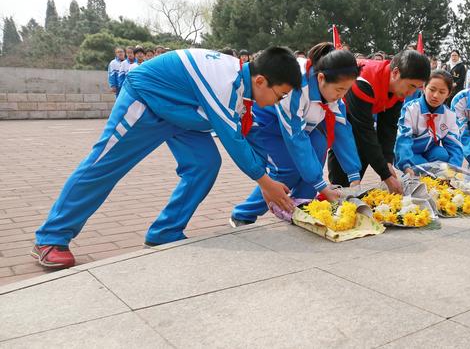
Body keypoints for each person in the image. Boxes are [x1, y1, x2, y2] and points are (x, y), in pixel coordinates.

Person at [31, 47, 302, 269]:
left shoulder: (242, 88)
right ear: (260, 81)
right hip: (147, 101)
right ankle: (51, 238)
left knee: (204, 164)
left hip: (182, 113)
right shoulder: (224, 80)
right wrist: (265, 183)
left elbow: (249, 136)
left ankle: (165, 232)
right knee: (103, 166)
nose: (278, 102)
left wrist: (266, 179)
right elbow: (232, 140)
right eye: (280, 95)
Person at [230, 43, 361, 226]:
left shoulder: (333, 93)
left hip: (301, 125)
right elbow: (295, 138)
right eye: (339, 90)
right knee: (288, 170)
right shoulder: (297, 86)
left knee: (319, 146)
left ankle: (301, 207)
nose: (341, 96)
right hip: (269, 122)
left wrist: (354, 175)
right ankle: (243, 214)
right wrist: (322, 187)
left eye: (346, 90)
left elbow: (342, 131)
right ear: (321, 78)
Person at [328, 50, 430, 194]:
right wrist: (386, 175)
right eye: (411, 86)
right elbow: (364, 132)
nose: (412, 93)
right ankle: (337, 189)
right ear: (395, 72)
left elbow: (388, 128)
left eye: (417, 88)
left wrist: (387, 162)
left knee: (367, 153)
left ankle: (350, 192)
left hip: (359, 119)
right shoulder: (363, 80)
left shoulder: (398, 89)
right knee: (352, 148)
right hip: (337, 115)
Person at [395, 70, 464, 175]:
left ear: (448, 94)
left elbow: (454, 145)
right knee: (423, 168)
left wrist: (453, 169)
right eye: (432, 89)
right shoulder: (411, 109)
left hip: (430, 149)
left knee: (443, 157)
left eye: (442, 92)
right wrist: (405, 164)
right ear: (424, 88)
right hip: (411, 151)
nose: (435, 95)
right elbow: (403, 139)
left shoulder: (449, 115)